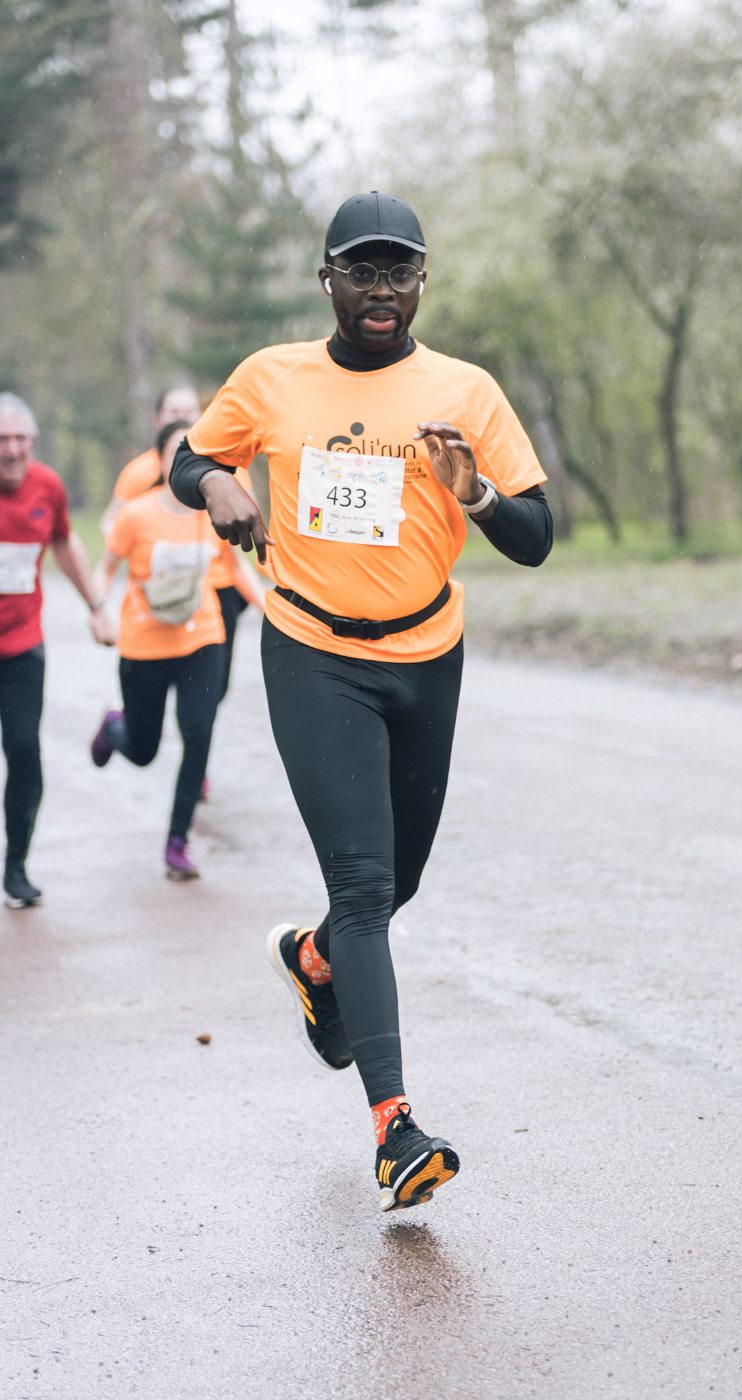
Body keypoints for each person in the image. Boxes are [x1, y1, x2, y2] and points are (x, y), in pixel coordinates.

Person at [170, 191, 553, 1211]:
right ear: (326, 279)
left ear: (421, 281)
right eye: (361, 270)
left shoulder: (465, 391)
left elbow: (536, 534)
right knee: (365, 888)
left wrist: (473, 492)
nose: (381, 290)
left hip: (428, 654)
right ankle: (396, 1129)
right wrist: (214, 485)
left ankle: (312, 959)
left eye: (399, 271)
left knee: (397, 881)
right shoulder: (272, 377)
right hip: (313, 653)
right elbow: (190, 456)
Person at [89, 421, 254, 880]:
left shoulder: (215, 512)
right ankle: (115, 729)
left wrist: (273, 608)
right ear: (161, 460)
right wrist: (98, 610)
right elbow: (105, 569)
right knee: (143, 750)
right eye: (178, 451)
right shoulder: (136, 515)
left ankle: (177, 842)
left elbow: (237, 569)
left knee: (198, 734)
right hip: (144, 644)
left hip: (202, 638)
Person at [0, 392, 115, 908]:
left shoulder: (47, 487)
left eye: (19, 438)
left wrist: (95, 604)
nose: (11, 449)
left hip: (21, 646)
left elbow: (65, 542)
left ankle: (16, 865)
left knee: (24, 750)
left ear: (33, 440)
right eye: (2, 439)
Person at [99, 384, 202, 537]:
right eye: (174, 412)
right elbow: (110, 521)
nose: (181, 417)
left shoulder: (223, 466)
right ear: (158, 418)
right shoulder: (139, 471)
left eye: (189, 412)